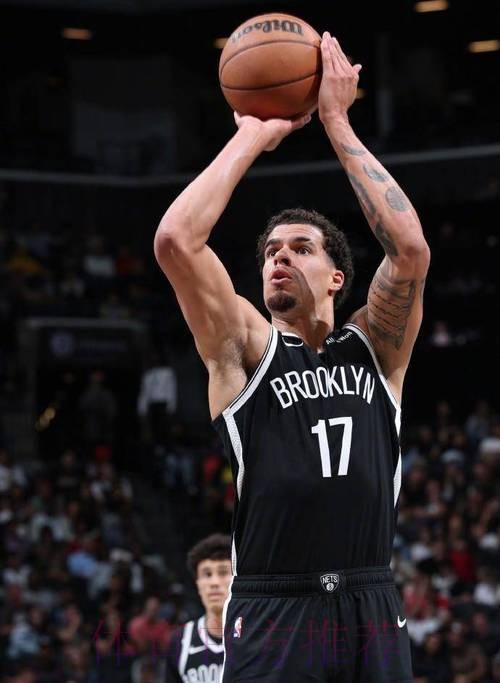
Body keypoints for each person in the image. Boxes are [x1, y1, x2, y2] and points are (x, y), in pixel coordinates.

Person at [155, 33, 430, 683]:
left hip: (369, 598)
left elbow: (409, 251)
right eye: (270, 251)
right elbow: (175, 240)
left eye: (301, 247)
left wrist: (336, 120)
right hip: (275, 604)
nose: (279, 255)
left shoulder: (374, 347)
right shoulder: (246, 349)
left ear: (337, 277)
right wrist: (253, 134)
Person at [165, 534, 231, 682]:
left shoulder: (256, 636)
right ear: (198, 584)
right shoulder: (180, 642)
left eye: (223, 572)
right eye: (207, 574)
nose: (214, 582)